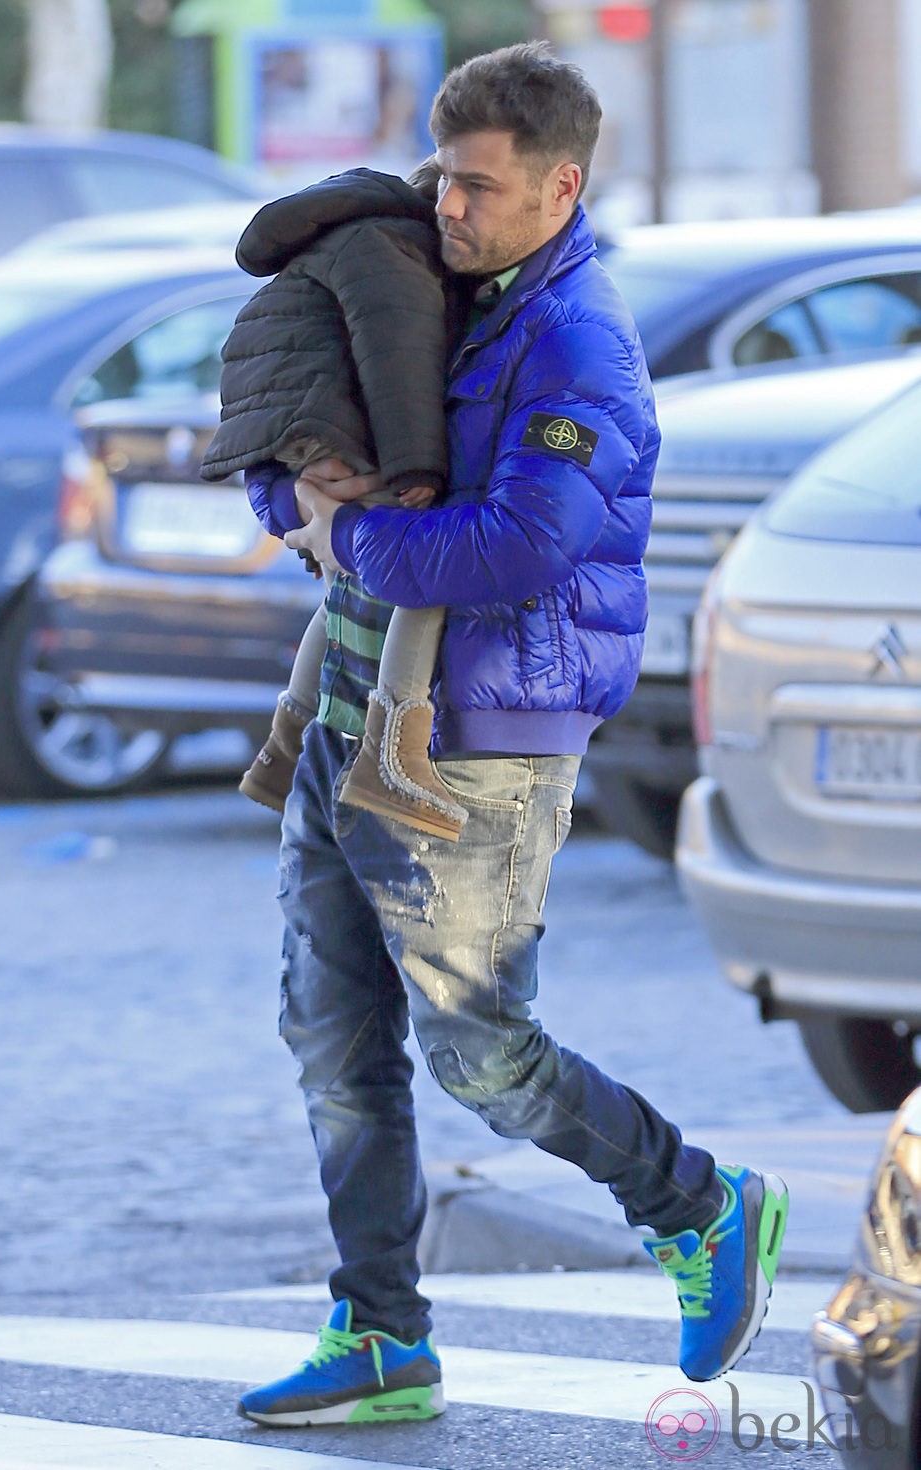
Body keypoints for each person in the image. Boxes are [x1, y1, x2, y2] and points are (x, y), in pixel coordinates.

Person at [236, 43, 789, 1428]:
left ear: (563, 184)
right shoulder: (421, 281)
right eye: (445, 183)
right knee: (329, 1029)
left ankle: (704, 1200)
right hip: (351, 707)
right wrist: (296, 487)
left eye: (481, 191)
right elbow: (298, 431)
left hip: (475, 734)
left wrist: (349, 530)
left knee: (479, 1048)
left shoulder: (577, 339)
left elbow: (519, 547)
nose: (452, 212)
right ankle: (379, 1330)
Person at [201, 163, 470, 839]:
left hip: (286, 422)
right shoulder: (390, 249)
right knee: (420, 576)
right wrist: (417, 470)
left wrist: (291, 493)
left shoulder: (338, 235)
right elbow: (396, 363)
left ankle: (283, 742)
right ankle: (395, 758)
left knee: (344, 584)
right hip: (320, 421)